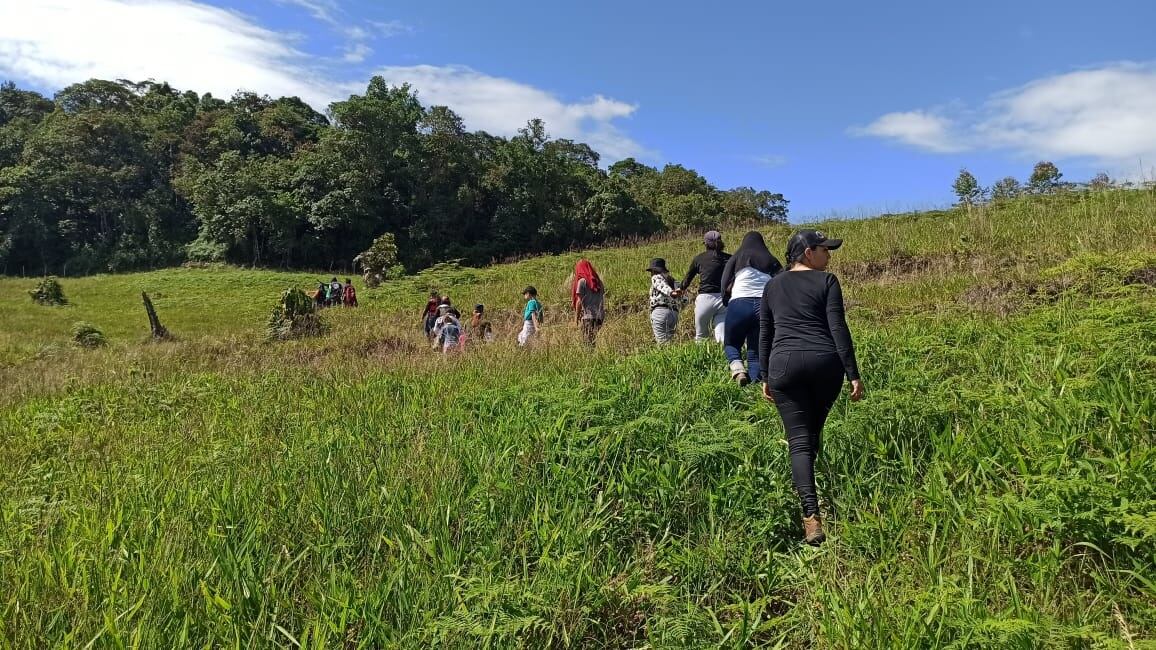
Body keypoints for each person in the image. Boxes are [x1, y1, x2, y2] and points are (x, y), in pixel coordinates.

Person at [759, 229, 865, 545]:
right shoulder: (827, 281)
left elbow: (765, 333)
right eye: (824, 249)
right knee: (812, 434)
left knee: (799, 442)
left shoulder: (771, 286)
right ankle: (813, 493)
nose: (828, 255)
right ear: (808, 253)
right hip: (824, 364)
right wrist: (853, 373)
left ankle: (810, 517)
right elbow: (837, 328)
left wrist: (765, 375)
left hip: (784, 367)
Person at [720, 231, 782, 385]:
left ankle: (738, 369)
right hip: (764, 306)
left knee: (731, 343)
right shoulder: (771, 258)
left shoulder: (736, 257)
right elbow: (782, 279)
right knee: (755, 351)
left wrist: (726, 300)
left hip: (739, 303)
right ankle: (755, 387)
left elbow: (724, 281)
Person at [682, 230, 732, 343]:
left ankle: (702, 359)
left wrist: (681, 289)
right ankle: (724, 357)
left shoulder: (699, 258)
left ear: (705, 243)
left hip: (705, 299)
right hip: (723, 299)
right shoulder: (729, 258)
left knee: (701, 336)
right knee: (722, 334)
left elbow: (687, 279)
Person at [647, 258, 684, 344]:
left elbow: (661, 286)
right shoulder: (673, 281)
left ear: (654, 270)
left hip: (660, 312)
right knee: (670, 343)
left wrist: (671, 293)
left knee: (663, 344)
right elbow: (685, 299)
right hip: (674, 314)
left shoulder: (656, 277)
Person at [572, 258, 605, 347]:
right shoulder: (599, 282)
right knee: (593, 341)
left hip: (587, 317)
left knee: (587, 344)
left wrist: (576, 319)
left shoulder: (582, 282)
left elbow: (579, 301)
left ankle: (592, 359)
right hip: (599, 317)